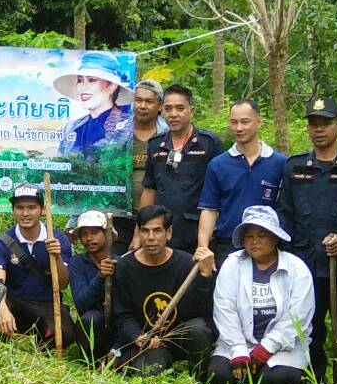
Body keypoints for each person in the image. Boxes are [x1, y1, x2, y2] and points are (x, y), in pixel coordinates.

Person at [278, 95, 337, 384]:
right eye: (313, 124)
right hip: (305, 262)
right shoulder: (294, 167)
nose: (319, 129)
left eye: (326, 123)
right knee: (310, 328)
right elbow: (285, 214)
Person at [207, 205, 314, 384]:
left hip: (283, 346)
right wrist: (238, 350)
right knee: (219, 375)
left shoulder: (297, 268)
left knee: (277, 378)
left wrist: (266, 349)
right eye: (249, 236)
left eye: (262, 235)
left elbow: (298, 316)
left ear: (275, 238)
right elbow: (224, 310)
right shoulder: (232, 264)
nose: (254, 241)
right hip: (239, 342)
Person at [103, 205, 216, 376]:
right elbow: (123, 315)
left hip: (177, 337)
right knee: (148, 372)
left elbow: (195, 310)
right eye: (145, 231)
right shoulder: (125, 267)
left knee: (198, 329)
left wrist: (205, 276)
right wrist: (138, 337)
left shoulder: (186, 264)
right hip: (148, 341)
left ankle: (199, 377)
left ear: (168, 233)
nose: (151, 238)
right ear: (138, 233)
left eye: (157, 231)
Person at [0, 184, 75, 351]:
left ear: (42, 210)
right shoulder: (1, 243)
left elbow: (63, 284)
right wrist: (0, 308)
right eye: (19, 207)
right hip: (14, 302)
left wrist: (56, 257)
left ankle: (38, 345)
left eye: (31, 207)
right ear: (13, 210)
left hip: (45, 304)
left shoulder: (58, 239)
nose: (25, 213)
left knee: (65, 334)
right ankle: (13, 339)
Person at [196, 99, 287, 259]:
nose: (239, 128)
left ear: (259, 122)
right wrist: (203, 248)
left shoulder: (280, 163)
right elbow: (209, 209)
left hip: (268, 245)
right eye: (234, 122)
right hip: (227, 245)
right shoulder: (218, 164)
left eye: (245, 122)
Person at [139, 83, 225, 254]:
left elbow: (222, 189)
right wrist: (138, 233)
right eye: (168, 109)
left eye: (180, 108)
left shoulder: (208, 143)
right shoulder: (156, 144)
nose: (173, 114)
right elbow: (149, 189)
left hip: (197, 233)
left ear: (191, 111)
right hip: (162, 232)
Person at [120, 79, 170, 253]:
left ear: (160, 105)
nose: (142, 106)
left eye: (149, 101)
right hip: (119, 213)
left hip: (156, 217)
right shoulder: (117, 132)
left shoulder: (169, 135)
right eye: (138, 100)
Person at [54, 52, 133, 157]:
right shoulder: (71, 127)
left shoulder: (129, 127)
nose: (83, 87)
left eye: (91, 80)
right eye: (80, 80)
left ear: (112, 86)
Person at [66, 210, 116, 360]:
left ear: (107, 234)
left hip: (117, 325)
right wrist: (100, 277)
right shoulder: (77, 263)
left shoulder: (121, 263)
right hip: (94, 324)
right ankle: (90, 362)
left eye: (94, 232)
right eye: (84, 234)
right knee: (90, 318)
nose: (89, 238)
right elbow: (81, 303)